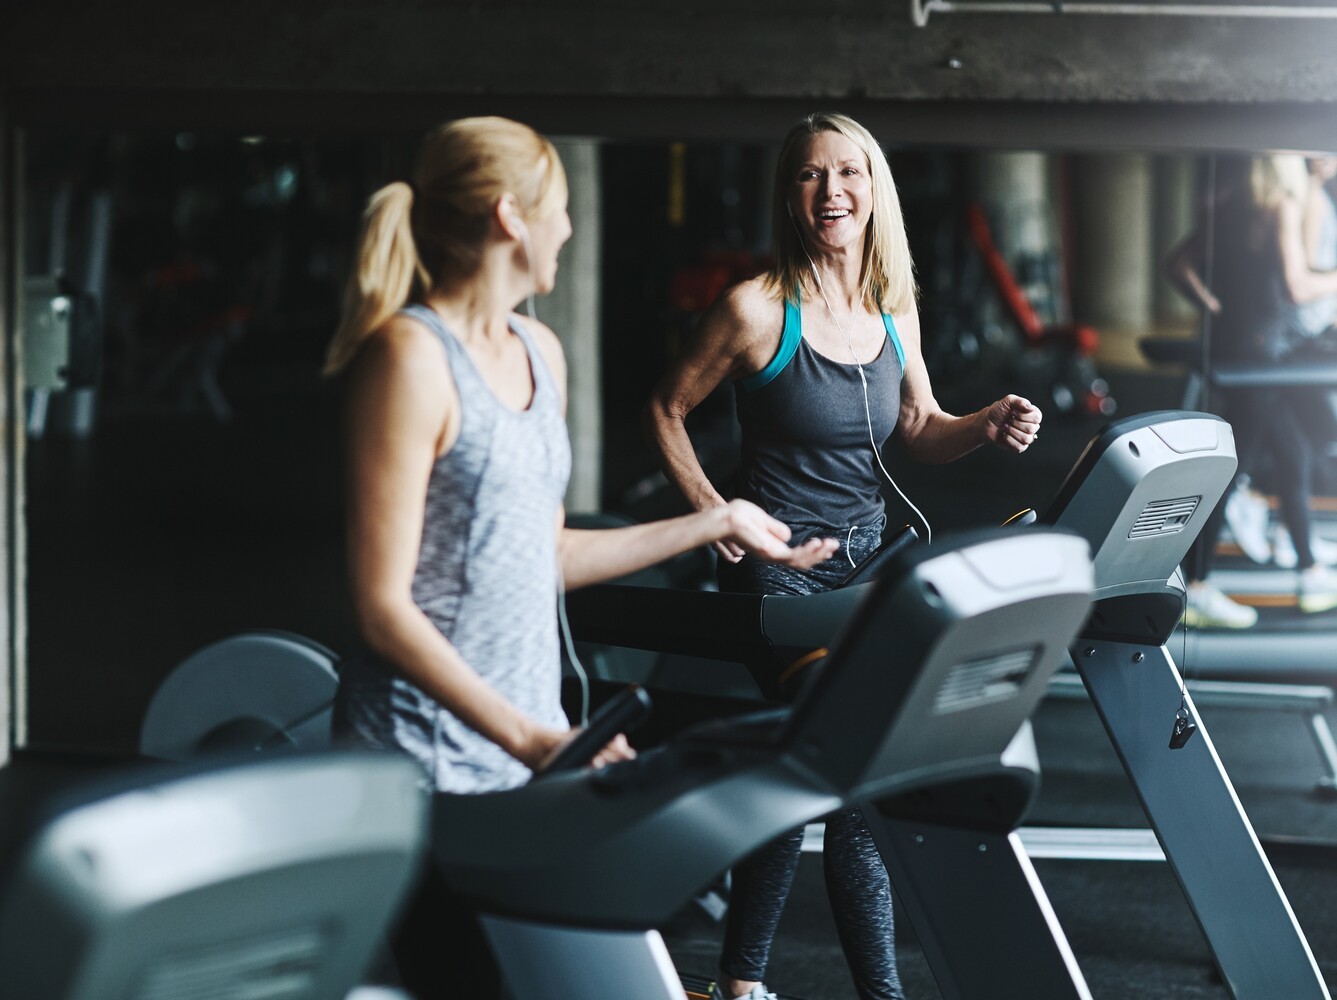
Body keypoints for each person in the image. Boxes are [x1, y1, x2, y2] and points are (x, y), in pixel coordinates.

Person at [324, 116, 838, 999]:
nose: (568, 227)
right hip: (426, 769)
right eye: (558, 209)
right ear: (510, 218)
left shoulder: (541, 351)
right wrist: (530, 737)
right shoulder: (409, 359)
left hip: (531, 759)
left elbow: (545, 555)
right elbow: (380, 605)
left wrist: (716, 521)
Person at [644, 112, 1042, 1000]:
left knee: (807, 766)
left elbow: (915, 428)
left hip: (869, 572)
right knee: (853, 768)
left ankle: (739, 985)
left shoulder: (889, 307)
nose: (832, 192)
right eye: (810, 176)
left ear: (874, 189)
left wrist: (980, 425)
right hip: (780, 578)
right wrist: (722, 522)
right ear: (788, 195)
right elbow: (666, 409)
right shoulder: (754, 310)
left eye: (849, 173)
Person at [1166, 154, 1337, 623]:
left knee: (1293, 454)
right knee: (1229, 473)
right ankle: (1196, 584)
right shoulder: (1280, 205)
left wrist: (1217, 308)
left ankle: (1309, 569)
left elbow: (1178, 266)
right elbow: (1298, 285)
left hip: (1238, 345)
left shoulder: (1231, 205)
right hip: (1260, 353)